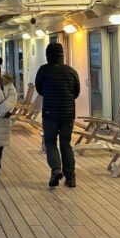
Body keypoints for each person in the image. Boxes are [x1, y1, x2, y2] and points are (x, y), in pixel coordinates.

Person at [35, 42, 80, 188]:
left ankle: (56, 169)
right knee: (66, 144)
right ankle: (71, 178)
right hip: (68, 114)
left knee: (50, 142)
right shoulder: (71, 71)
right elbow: (76, 93)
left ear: (48, 55)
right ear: (62, 55)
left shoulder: (43, 70)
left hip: (50, 114)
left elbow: (40, 90)